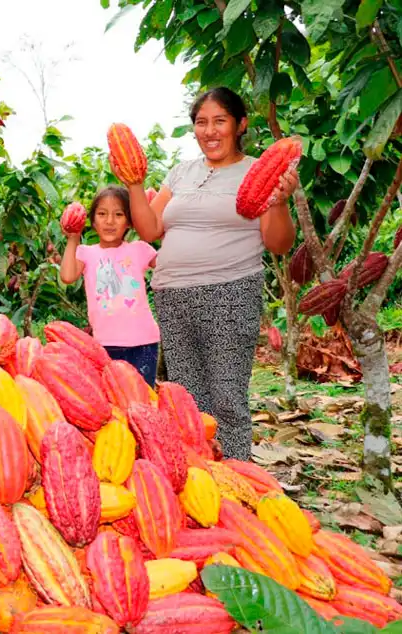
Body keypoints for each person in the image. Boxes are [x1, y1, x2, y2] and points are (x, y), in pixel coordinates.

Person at [118, 87, 298, 461]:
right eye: (202, 122)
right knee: (186, 400)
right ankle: (201, 480)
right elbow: (149, 229)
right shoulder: (181, 173)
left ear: (240, 125)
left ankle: (237, 480)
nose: (210, 131)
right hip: (173, 296)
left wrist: (280, 204)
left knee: (227, 397)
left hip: (229, 293)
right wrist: (134, 182)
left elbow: (279, 244)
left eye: (220, 121)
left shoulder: (257, 172)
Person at [59, 186, 160, 386]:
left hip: (143, 343)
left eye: (119, 214)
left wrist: (159, 220)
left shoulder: (139, 249)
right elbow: (68, 276)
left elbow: (172, 264)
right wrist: (73, 237)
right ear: (93, 221)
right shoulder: (86, 253)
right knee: (115, 404)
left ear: (130, 222)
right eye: (102, 214)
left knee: (143, 401)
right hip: (104, 344)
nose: (110, 221)